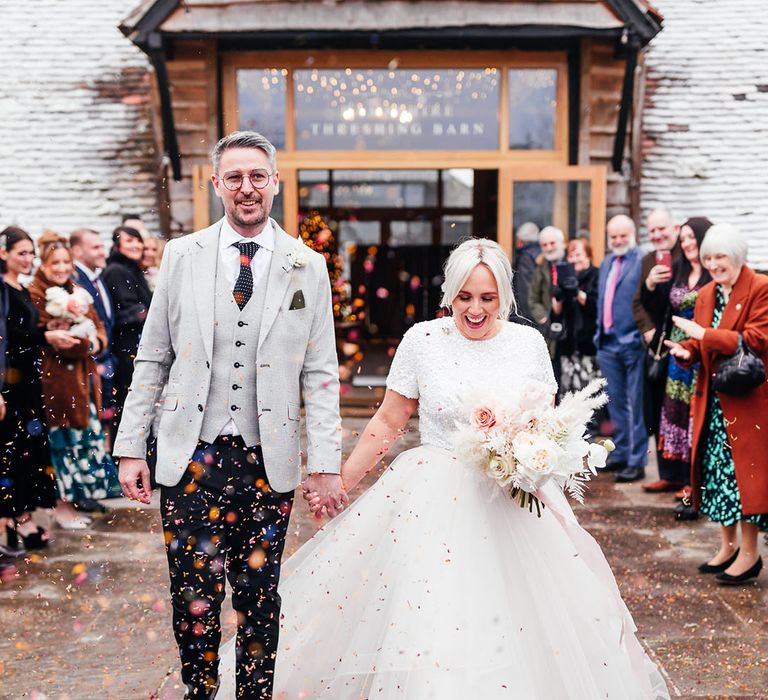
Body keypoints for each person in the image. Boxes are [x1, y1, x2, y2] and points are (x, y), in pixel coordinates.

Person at [218, 237, 670, 698]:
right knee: (430, 622)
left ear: (505, 296)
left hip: (511, 503)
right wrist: (342, 482)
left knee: (521, 622)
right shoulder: (424, 340)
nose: (474, 309)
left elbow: (545, 424)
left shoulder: (527, 343)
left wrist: (532, 460)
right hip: (432, 503)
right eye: (464, 297)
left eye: (487, 299)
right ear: (449, 293)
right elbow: (389, 421)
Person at [113, 131, 344, 699]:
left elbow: (319, 373)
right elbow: (153, 354)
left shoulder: (306, 266)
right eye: (235, 177)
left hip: (270, 459)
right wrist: (128, 446)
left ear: (275, 183)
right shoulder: (180, 256)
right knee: (193, 592)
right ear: (216, 184)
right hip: (190, 455)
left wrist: (327, 463)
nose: (247, 188)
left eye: (257, 177)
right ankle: (199, 691)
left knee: (260, 593)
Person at [667, 223, 768, 584]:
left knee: (747, 482)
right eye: (708, 257)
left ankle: (751, 553)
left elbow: (756, 339)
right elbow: (700, 344)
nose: (712, 264)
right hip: (713, 402)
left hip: (748, 402)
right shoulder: (707, 293)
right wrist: (685, 351)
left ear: (737, 256)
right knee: (717, 476)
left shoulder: (760, 287)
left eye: (720, 256)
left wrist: (704, 336)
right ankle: (727, 547)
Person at [28, 232, 121, 529]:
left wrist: (93, 344)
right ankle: (61, 507)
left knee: (83, 445)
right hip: (55, 384)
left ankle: (80, 499)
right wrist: (84, 343)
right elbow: (53, 341)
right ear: (43, 264)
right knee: (61, 448)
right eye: (54, 262)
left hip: (84, 383)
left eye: (66, 262)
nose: (61, 268)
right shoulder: (36, 294)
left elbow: (100, 332)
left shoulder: (78, 291)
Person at [0, 227, 66, 549]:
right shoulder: (2, 290)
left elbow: (26, 334)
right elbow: (7, 339)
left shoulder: (22, 289)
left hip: (29, 382)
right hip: (10, 382)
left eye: (30, 253)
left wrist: (48, 332)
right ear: (4, 254)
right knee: (10, 452)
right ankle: (11, 521)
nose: (28, 259)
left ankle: (24, 517)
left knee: (29, 451)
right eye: (21, 253)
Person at [640, 218, 712, 506]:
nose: (688, 243)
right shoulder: (678, 270)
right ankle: (674, 474)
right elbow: (660, 309)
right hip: (674, 352)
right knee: (674, 414)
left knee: (697, 415)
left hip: (701, 352)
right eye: (684, 239)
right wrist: (650, 284)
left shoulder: (712, 273)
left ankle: (694, 481)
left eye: (692, 237)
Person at [595, 215, 647, 483]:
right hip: (606, 342)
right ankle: (621, 454)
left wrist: (641, 335)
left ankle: (637, 461)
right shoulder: (606, 263)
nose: (617, 240)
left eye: (622, 235)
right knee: (615, 402)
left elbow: (647, 301)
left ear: (633, 233)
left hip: (632, 342)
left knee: (634, 403)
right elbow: (602, 299)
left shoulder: (642, 261)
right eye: (613, 236)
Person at [632, 209, 680, 464]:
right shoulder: (648, 260)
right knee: (655, 411)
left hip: (682, 344)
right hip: (656, 347)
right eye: (652, 231)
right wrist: (648, 330)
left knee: (679, 412)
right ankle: (665, 473)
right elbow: (637, 302)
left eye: (662, 229)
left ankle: (681, 476)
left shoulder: (686, 256)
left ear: (675, 228)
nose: (657, 235)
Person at [101, 225, 152, 433]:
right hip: (126, 348)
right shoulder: (116, 271)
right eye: (129, 241)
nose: (136, 245)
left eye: (138, 240)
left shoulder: (133, 269)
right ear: (117, 245)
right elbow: (127, 310)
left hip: (136, 345)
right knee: (129, 401)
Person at [70, 228, 116, 447]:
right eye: (95, 247)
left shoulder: (98, 279)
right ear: (77, 251)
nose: (102, 252)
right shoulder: (74, 282)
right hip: (91, 367)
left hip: (107, 364)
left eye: (102, 246)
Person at [549, 238, 600, 398]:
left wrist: (576, 292)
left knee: (591, 396)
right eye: (571, 256)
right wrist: (558, 295)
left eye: (578, 254)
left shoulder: (596, 275)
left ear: (589, 256)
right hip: (567, 343)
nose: (574, 259)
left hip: (588, 344)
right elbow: (556, 313)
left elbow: (595, 306)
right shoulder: (565, 278)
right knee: (567, 395)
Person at [511, 220, 539, 322]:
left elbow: (525, 289)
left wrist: (524, 318)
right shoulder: (539, 253)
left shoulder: (525, 258)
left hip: (526, 315)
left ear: (520, 241)